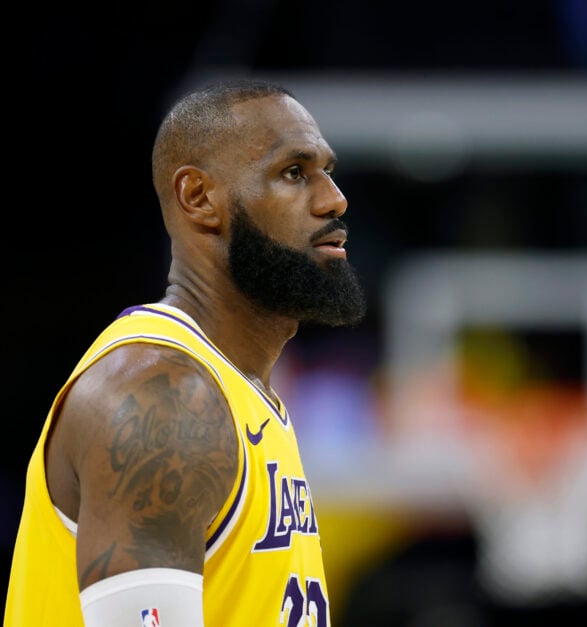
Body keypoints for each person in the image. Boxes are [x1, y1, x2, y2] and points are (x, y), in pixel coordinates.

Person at [4, 78, 366, 626]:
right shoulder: (163, 399)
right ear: (199, 198)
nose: (333, 199)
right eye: (294, 173)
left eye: (328, 171)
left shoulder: (235, 390)